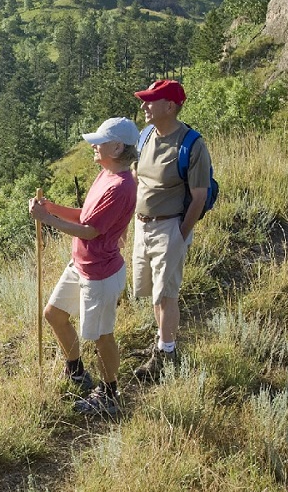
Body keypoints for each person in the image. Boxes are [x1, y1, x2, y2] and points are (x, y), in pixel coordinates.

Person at [31, 116, 140, 417]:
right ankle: (77, 371)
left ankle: (109, 394)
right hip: (81, 265)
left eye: (99, 142)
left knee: (102, 335)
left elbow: (92, 230)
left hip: (100, 274)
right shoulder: (106, 174)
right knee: (53, 314)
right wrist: (51, 208)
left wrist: (47, 220)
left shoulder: (121, 186)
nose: (93, 145)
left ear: (117, 147)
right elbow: (85, 215)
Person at [128, 79, 212, 382]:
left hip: (169, 226)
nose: (144, 106)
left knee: (167, 293)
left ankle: (167, 353)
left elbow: (199, 196)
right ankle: (161, 344)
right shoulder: (146, 135)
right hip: (142, 225)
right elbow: (137, 172)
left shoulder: (191, 144)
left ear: (170, 106)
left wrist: (180, 234)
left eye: (151, 101)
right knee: (152, 290)